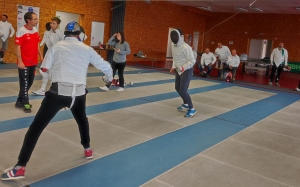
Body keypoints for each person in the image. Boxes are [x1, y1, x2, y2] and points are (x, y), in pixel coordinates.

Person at [1, 21, 113, 181]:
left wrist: (51, 72)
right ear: (79, 35)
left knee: (36, 128)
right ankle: (87, 149)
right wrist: (108, 79)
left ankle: (20, 167)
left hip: (58, 94)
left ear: (66, 34)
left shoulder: (56, 47)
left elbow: (44, 68)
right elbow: (107, 67)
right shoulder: (87, 49)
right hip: (79, 95)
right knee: (82, 120)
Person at [14, 12, 43, 113]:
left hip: (33, 62)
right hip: (24, 63)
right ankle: (25, 103)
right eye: (35, 19)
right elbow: (18, 47)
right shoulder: (21, 31)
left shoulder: (35, 30)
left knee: (29, 83)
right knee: (25, 84)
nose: (37, 21)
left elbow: (37, 45)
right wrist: (20, 61)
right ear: (28, 20)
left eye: (37, 18)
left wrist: (41, 56)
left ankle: (19, 101)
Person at [32, 17, 64, 96]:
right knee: (44, 70)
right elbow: (43, 41)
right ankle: (42, 90)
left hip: (58, 55)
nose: (52, 25)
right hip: (49, 53)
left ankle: (56, 89)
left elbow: (64, 45)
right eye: (51, 23)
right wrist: (35, 47)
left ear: (58, 25)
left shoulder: (61, 34)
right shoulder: (47, 33)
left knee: (54, 72)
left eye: (54, 23)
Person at [169, 28, 196, 117]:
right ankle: (186, 103)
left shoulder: (186, 47)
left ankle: (192, 108)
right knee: (177, 88)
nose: (174, 37)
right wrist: (174, 67)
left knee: (183, 91)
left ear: (181, 37)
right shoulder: (173, 45)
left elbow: (192, 61)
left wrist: (183, 68)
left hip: (186, 70)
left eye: (175, 36)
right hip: (178, 69)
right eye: (172, 36)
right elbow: (175, 57)